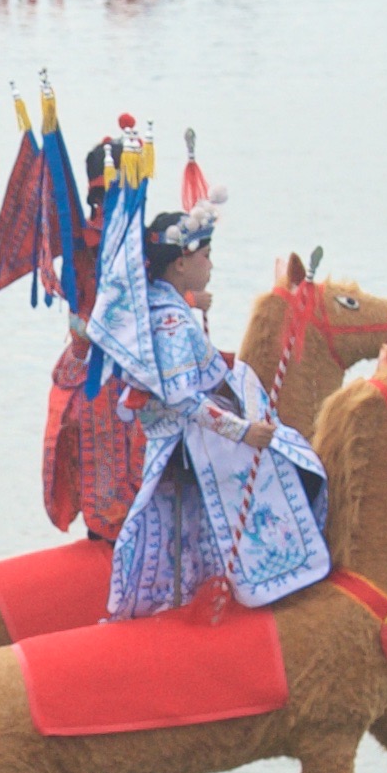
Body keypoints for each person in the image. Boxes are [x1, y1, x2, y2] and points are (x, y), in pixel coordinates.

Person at [87, 194, 331, 623]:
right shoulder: (173, 322)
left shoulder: (162, 308)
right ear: (181, 263)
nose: (211, 266)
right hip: (188, 443)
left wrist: (191, 303)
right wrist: (242, 431)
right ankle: (278, 578)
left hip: (175, 437)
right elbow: (182, 397)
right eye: (206, 256)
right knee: (291, 455)